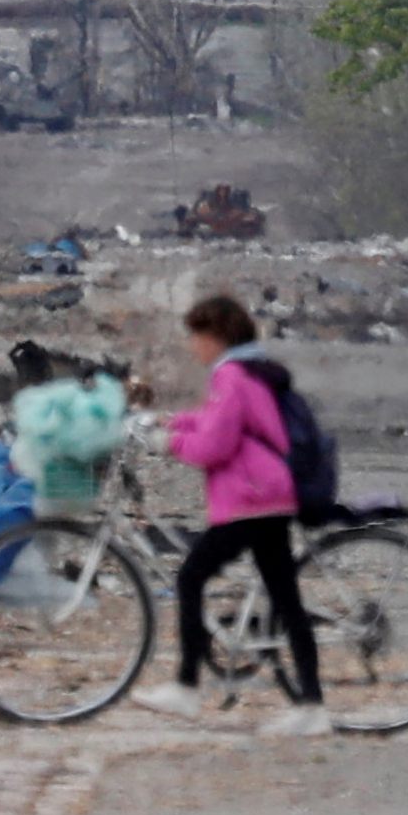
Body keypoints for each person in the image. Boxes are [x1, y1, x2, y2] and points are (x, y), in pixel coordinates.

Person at [135, 291, 326, 735]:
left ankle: (186, 686)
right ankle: (313, 706)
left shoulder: (231, 377)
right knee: (286, 601)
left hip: (252, 500)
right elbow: (216, 422)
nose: (192, 345)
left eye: (197, 335)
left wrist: (170, 444)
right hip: (269, 496)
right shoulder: (248, 372)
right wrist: (172, 422)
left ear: (217, 336)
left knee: (190, 577)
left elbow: (214, 446)